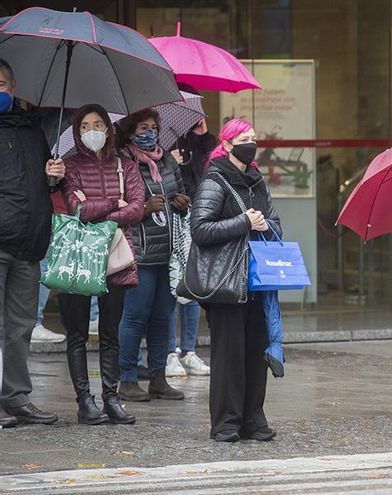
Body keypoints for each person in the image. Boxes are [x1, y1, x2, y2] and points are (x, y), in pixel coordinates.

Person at [191, 118, 279, 442]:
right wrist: (243, 222)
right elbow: (200, 230)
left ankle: (253, 419)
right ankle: (226, 422)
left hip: (257, 279)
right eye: (244, 138)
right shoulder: (215, 181)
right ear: (227, 145)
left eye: (254, 137)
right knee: (229, 355)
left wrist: (265, 225)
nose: (251, 143)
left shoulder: (257, 181)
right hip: (226, 280)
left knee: (257, 351)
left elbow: (275, 222)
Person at [58, 104, 145, 424]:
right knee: (78, 333)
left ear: (108, 129)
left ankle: (112, 397)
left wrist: (98, 210)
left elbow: (137, 209)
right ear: (76, 132)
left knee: (110, 333)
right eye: (84, 126)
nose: (91, 131)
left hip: (115, 257)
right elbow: (75, 208)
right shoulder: (69, 166)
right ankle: (84, 401)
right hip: (80, 257)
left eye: (97, 124)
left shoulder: (126, 166)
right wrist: (113, 203)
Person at [0, 58, 65, 427]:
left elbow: (42, 184)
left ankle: (16, 397)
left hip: (29, 242)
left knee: (21, 326)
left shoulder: (32, 129)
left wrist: (54, 176)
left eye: (1, 85)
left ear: (13, 86)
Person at [116, 109, 188, 402]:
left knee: (163, 317)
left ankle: (158, 377)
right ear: (130, 131)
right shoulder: (122, 161)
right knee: (135, 317)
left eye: (153, 127)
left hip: (168, 253)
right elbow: (117, 205)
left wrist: (182, 202)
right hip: (139, 252)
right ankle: (128, 379)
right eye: (142, 127)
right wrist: (143, 209)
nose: (149, 132)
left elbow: (180, 191)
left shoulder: (167, 159)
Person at [165, 118, 215, 378]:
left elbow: (210, 168)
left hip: (196, 217)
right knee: (174, 285)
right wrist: (168, 158)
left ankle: (189, 350)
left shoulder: (198, 142)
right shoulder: (161, 139)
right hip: (169, 219)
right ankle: (169, 352)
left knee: (193, 286)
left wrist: (203, 136)